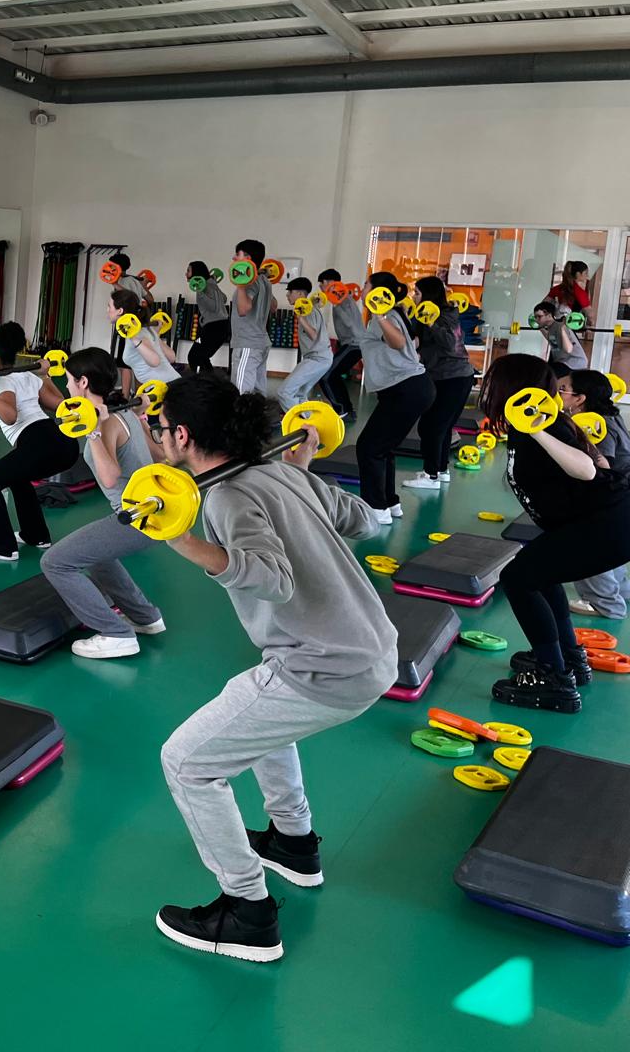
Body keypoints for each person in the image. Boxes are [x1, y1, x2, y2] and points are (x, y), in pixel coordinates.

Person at [150, 375, 393, 963]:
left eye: (159, 431)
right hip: (368, 648)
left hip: (325, 666)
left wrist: (180, 539)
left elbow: (272, 578)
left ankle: (248, 913)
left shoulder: (228, 496)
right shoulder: (281, 472)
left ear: (182, 436)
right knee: (251, 706)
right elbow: (365, 519)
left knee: (186, 763)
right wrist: (303, 472)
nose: (156, 440)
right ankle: (293, 842)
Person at [482, 355, 630, 713]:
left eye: (492, 383)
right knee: (539, 574)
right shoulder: (531, 424)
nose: (487, 389)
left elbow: (586, 470)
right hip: (597, 522)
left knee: (517, 579)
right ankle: (567, 657)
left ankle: (554, 679)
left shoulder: (541, 425)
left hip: (609, 525)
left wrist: (535, 429)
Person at [40, 348, 168, 659]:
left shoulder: (106, 423)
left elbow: (109, 478)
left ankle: (116, 633)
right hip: (155, 513)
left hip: (137, 517)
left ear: (83, 382)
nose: (68, 387)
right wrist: (145, 417)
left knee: (55, 562)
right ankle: (145, 617)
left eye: (70, 381)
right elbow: (160, 454)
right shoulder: (126, 413)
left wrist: (95, 432)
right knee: (97, 555)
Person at [0, 323, 76, 563]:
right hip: (63, 443)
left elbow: (10, 416)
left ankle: (2, 546)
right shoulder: (27, 376)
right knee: (16, 478)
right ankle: (36, 534)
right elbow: (60, 407)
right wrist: (44, 375)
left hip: (37, 443)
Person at [355, 272, 433, 524]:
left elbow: (399, 343)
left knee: (368, 448)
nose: (363, 288)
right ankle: (389, 503)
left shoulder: (385, 315)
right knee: (382, 448)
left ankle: (375, 508)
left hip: (406, 390)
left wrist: (379, 316)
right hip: (408, 389)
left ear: (379, 291)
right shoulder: (394, 314)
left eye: (367, 285)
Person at [558, 369, 630, 619]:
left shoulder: (595, 421)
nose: (558, 395)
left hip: (613, 491)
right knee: (612, 543)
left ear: (580, 398)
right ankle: (620, 590)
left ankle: (604, 603)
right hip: (623, 492)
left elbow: (603, 467)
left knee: (589, 542)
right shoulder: (610, 414)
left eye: (562, 390)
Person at [401, 276, 476, 491]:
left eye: (417, 293)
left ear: (429, 295)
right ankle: (441, 470)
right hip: (442, 376)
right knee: (441, 426)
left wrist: (432, 323)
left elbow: (450, 344)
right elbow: (416, 341)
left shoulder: (446, 315)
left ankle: (430, 475)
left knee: (432, 427)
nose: (414, 296)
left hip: (455, 377)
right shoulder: (422, 316)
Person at [276, 278, 332, 413]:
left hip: (317, 359)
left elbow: (313, 335)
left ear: (301, 294)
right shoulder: (309, 307)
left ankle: (302, 421)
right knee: (300, 394)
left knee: (284, 392)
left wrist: (300, 318)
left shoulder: (308, 310)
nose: (287, 295)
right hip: (318, 358)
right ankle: (310, 421)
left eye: (290, 292)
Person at [110, 288, 179, 394]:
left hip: (165, 389)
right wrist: (156, 335)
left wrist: (133, 337)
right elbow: (172, 358)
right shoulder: (147, 329)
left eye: (109, 306)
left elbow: (155, 361)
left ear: (120, 311)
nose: (107, 310)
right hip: (172, 383)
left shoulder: (136, 334)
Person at [228, 239, 273, 396]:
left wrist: (240, 285)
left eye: (238, 255)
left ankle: (242, 421)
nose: (234, 259)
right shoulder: (264, 280)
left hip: (248, 343)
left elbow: (243, 309)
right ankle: (260, 420)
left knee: (242, 394)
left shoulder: (249, 281)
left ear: (247, 258)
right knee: (257, 392)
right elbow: (273, 306)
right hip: (260, 342)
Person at [316, 269, 362, 420]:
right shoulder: (342, 299)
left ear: (329, 283)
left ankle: (341, 411)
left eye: (321, 285)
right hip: (351, 344)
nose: (321, 289)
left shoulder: (343, 300)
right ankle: (347, 409)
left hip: (354, 345)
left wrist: (336, 305)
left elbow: (350, 324)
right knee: (333, 375)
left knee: (326, 375)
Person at [186, 261, 229, 373]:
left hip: (214, 328)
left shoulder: (205, 286)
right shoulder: (211, 284)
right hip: (219, 326)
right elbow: (223, 299)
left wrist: (200, 291)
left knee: (195, 357)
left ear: (196, 273)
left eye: (188, 271)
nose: (186, 274)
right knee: (200, 357)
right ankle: (210, 384)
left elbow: (214, 307)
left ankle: (204, 384)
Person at [533, 299, 587, 375]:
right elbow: (552, 341)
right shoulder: (551, 327)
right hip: (563, 361)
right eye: (535, 317)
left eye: (539, 317)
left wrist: (562, 330)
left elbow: (568, 349)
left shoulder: (559, 326)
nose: (536, 320)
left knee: (546, 375)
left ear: (549, 315)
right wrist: (540, 328)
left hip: (574, 362)